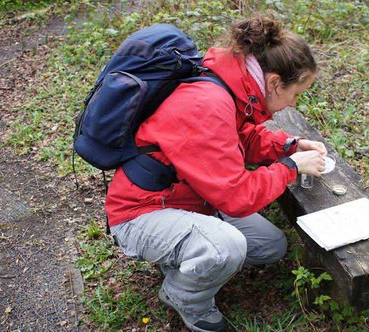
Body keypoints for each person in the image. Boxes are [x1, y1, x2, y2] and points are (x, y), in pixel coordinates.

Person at [105, 14, 327, 332]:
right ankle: (183, 297)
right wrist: (291, 167)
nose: (293, 104)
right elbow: (236, 196)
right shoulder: (207, 104)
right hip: (140, 212)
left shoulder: (232, 86)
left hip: (188, 197)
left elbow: (238, 138)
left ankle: (181, 257)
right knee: (227, 247)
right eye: (296, 93)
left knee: (269, 246)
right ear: (275, 82)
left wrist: (289, 145)